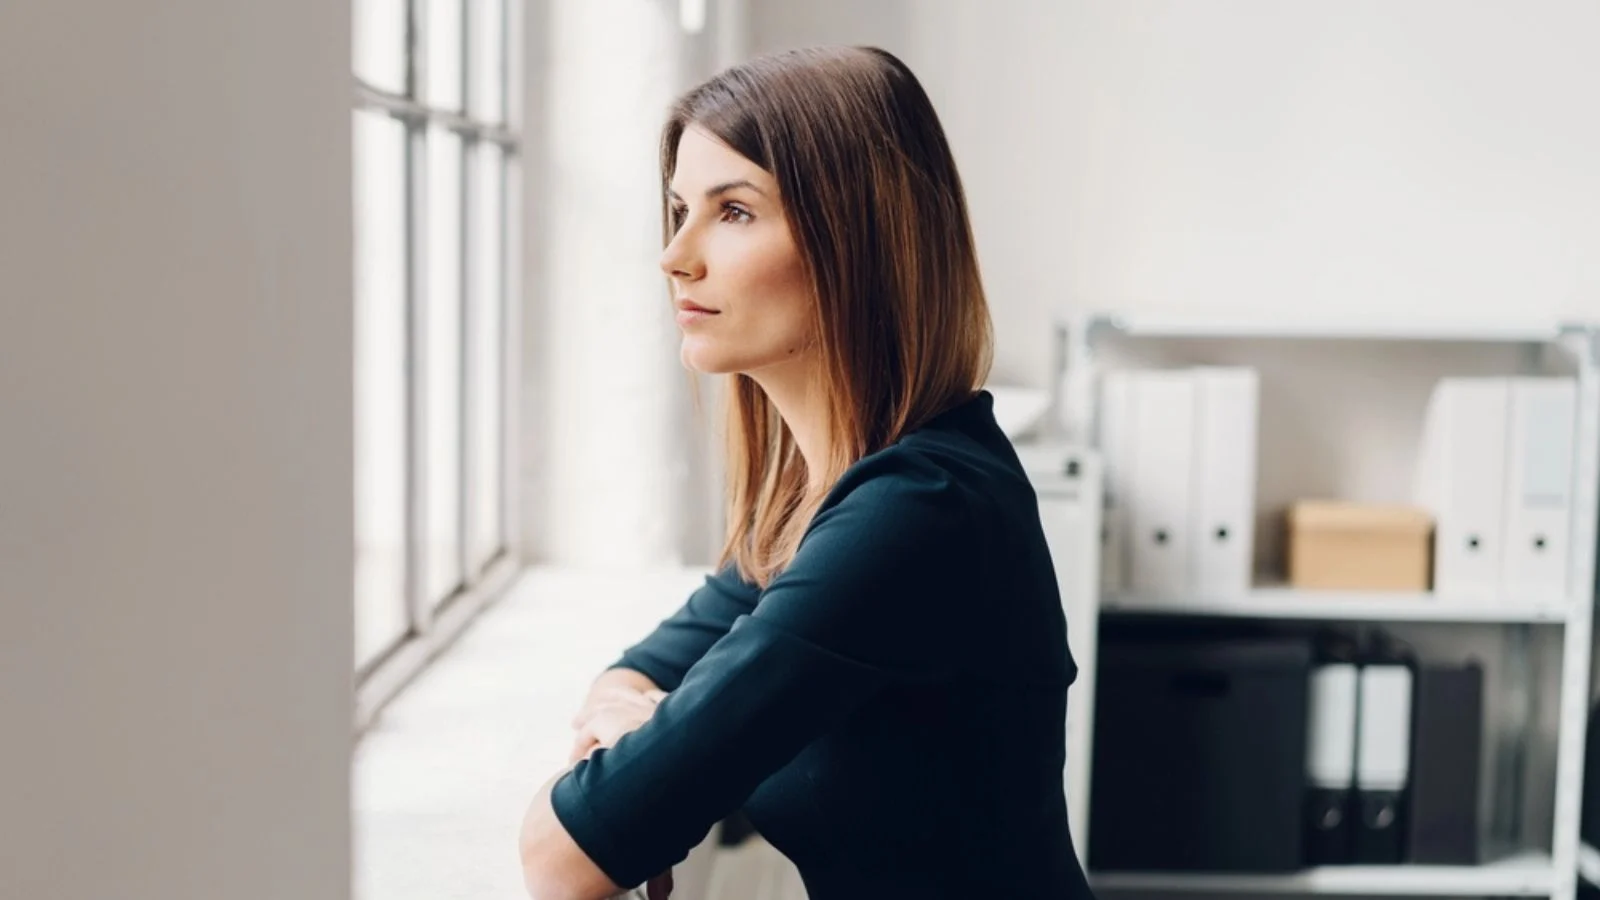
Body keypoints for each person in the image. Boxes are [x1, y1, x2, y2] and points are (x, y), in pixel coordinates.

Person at [518, 45, 1096, 900]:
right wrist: (642, 733)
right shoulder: (823, 494)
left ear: (858, 241)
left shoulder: (915, 515)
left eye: (734, 211)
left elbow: (559, 856)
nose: (675, 255)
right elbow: (641, 668)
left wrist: (647, 757)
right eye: (679, 210)